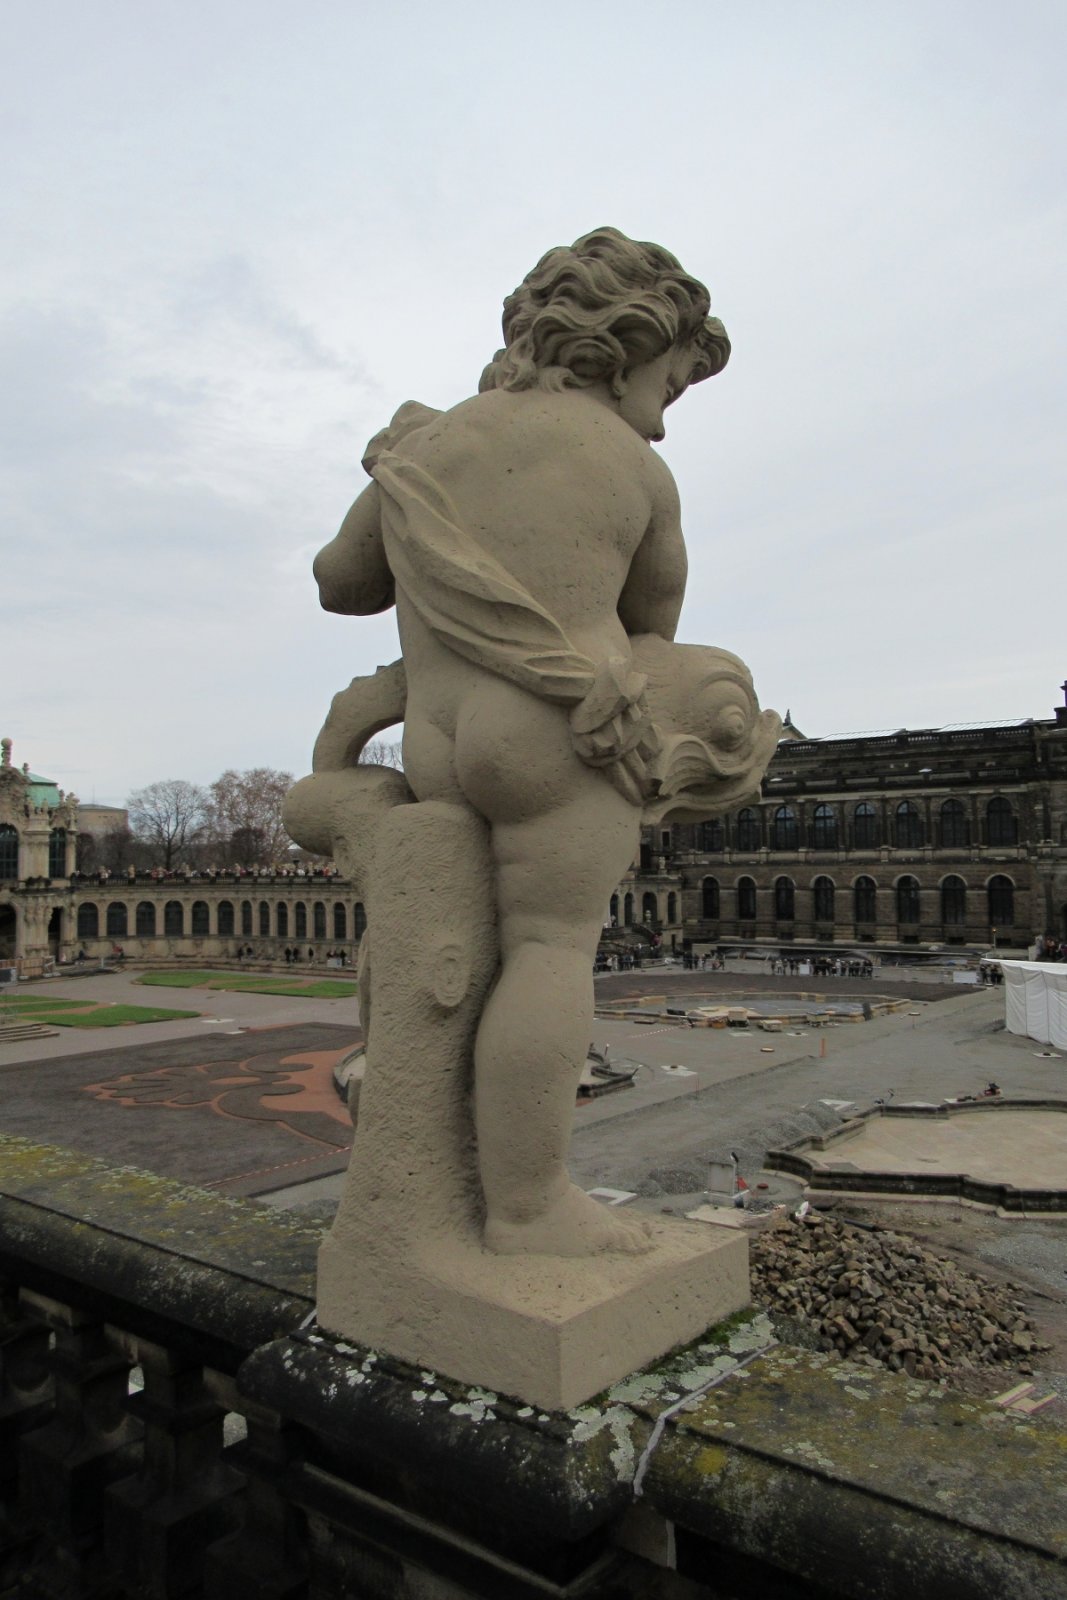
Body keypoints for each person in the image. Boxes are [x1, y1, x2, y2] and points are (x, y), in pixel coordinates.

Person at [309, 229, 777, 1257]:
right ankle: (527, 1211)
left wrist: (383, 467)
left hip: (432, 738)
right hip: (558, 730)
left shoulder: (421, 446)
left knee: (442, 936)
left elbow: (340, 583)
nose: (665, 413)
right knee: (548, 951)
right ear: (623, 350)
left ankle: (419, 1148)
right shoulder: (635, 468)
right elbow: (651, 630)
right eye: (667, 383)